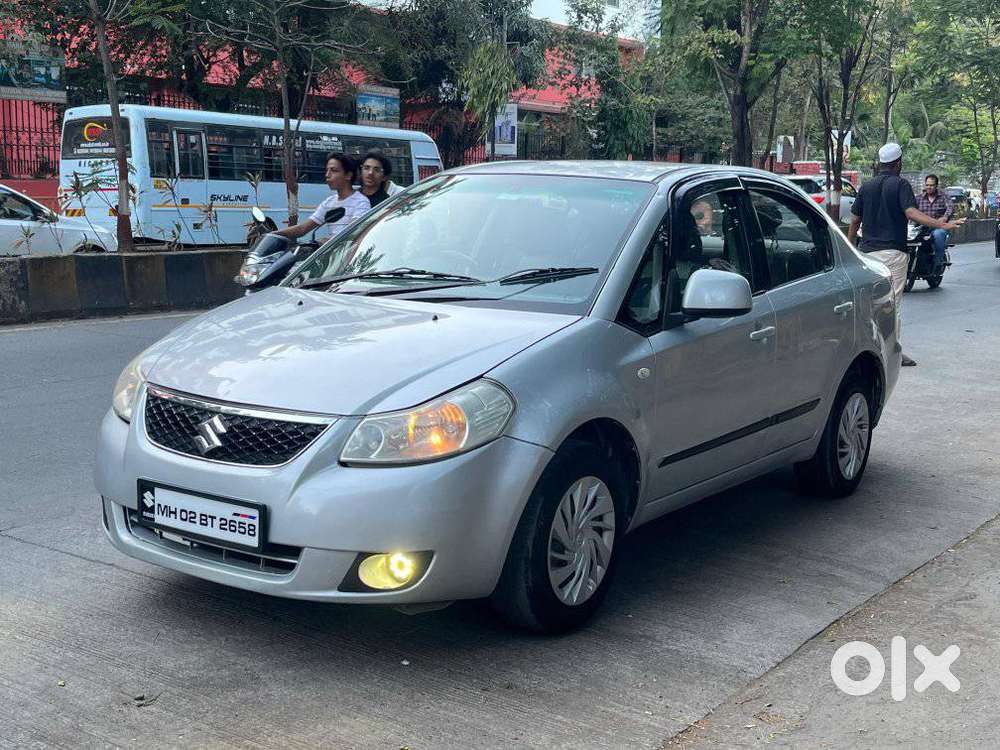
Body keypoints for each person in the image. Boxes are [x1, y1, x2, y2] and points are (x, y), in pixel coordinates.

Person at [847, 143, 963, 367]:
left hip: (867, 254)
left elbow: (854, 220)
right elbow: (911, 212)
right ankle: (892, 353)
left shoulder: (867, 186)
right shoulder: (901, 185)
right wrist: (941, 225)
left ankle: (867, 351)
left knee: (871, 305)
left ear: (881, 163)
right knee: (893, 304)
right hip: (893, 254)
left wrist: (850, 248)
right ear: (898, 163)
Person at [274, 153, 369, 243]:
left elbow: (353, 232)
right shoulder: (329, 202)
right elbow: (303, 228)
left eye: (334, 170)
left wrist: (328, 241)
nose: (327, 175)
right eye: (327, 170)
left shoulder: (361, 202)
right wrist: (272, 234)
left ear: (348, 175)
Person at [917, 174, 954, 267]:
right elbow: (911, 210)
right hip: (921, 227)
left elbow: (950, 207)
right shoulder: (919, 198)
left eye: (931, 185)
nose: (929, 187)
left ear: (936, 186)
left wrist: (945, 217)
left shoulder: (943, 196)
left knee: (938, 234)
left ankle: (938, 263)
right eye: (927, 185)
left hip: (938, 227)